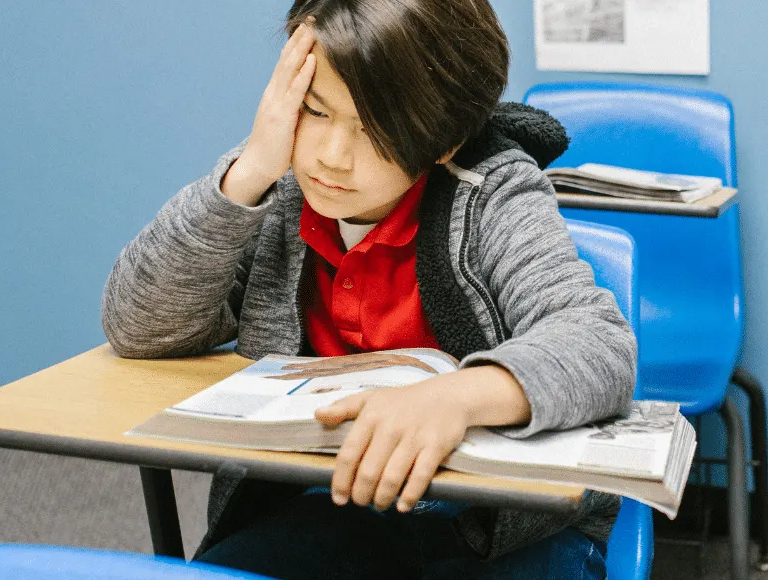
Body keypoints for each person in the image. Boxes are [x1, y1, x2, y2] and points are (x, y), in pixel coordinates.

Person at [99, 0, 636, 577]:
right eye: (314, 111)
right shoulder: (279, 190)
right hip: (329, 506)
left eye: (375, 130)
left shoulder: (492, 192)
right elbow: (139, 326)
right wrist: (250, 169)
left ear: (445, 138)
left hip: (491, 521)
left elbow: (598, 345)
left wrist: (455, 398)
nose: (332, 157)